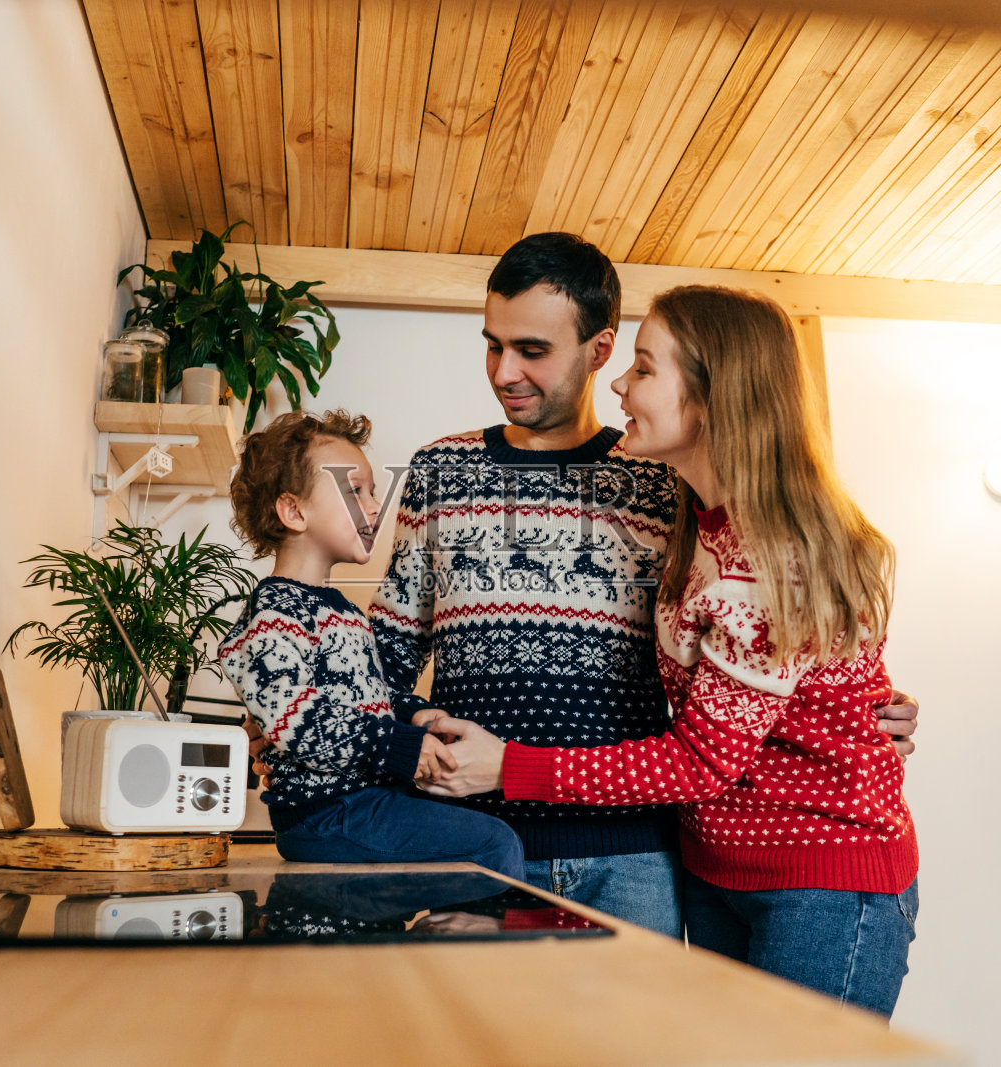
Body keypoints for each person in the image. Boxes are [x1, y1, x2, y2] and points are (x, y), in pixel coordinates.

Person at [363, 232, 918, 939]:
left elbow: (771, 616)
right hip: (471, 840)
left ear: (600, 350)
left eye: (532, 350)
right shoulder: (440, 471)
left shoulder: (668, 478)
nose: (504, 371)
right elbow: (381, 655)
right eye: (492, 345)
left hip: (632, 855)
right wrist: (369, 726)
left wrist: (857, 705)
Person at [216, 409, 524, 879]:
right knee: (493, 844)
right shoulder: (274, 614)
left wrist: (413, 714)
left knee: (480, 824)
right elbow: (296, 722)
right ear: (294, 511)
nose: (376, 506)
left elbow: (359, 699)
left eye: (373, 491)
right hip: (325, 814)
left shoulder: (341, 611)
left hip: (359, 802)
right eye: (354, 491)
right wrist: (397, 744)